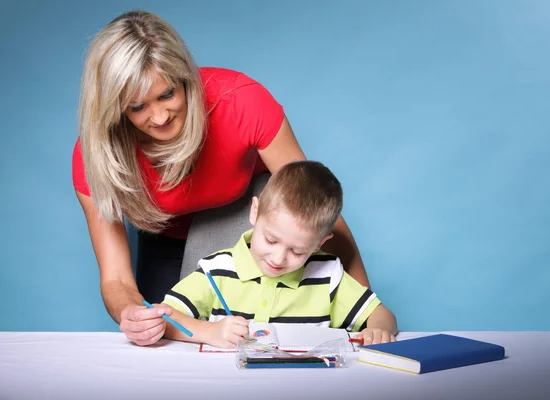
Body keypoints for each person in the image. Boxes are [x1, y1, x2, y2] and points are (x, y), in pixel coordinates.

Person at [73, 10, 372, 347]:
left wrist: (367, 315)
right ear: (114, 109)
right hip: (166, 234)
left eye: (167, 94)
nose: (158, 117)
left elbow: (311, 203)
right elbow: (115, 279)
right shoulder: (95, 159)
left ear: (186, 78)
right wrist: (131, 312)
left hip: (247, 217)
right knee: (164, 337)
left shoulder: (241, 102)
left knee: (262, 339)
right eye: (137, 107)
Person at [162, 161, 398, 347]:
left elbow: (383, 316)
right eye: (271, 239)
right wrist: (210, 332)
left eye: (297, 251)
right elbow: (163, 316)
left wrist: (378, 330)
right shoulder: (216, 270)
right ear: (255, 212)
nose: (278, 258)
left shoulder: (329, 277)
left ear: (318, 245)